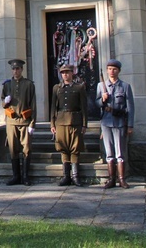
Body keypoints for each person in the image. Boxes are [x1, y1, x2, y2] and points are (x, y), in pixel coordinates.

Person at [97, 59, 135, 189]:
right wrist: (102, 99)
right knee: (109, 153)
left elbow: (130, 107)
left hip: (119, 123)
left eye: (114, 69)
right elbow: (96, 103)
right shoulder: (101, 86)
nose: (111, 72)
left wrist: (130, 125)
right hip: (106, 122)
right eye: (109, 69)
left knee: (120, 153)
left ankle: (122, 179)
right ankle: (111, 179)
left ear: (118, 71)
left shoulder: (125, 87)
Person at [50, 64, 88, 187]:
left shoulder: (79, 88)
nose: (65, 75)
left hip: (75, 120)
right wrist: (52, 123)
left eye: (67, 72)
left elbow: (84, 107)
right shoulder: (57, 88)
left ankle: (75, 176)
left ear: (72, 73)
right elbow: (53, 107)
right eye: (63, 72)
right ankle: (66, 176)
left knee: (75, 148)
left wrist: (84, 124)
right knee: (63, 147)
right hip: (61, 121)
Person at [1, 58, 37, 186]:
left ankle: (25, 176)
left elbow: (33, 104)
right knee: (13, 149)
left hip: (25, 121)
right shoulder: (7, 85)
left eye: (18, 69)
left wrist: (32, 123)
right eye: (13, 69)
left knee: (26, 149)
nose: (15, 71)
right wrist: (5, 101)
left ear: (22, 70)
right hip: (11, 121)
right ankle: (16, 176)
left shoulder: (28, 84)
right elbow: (2, 104)